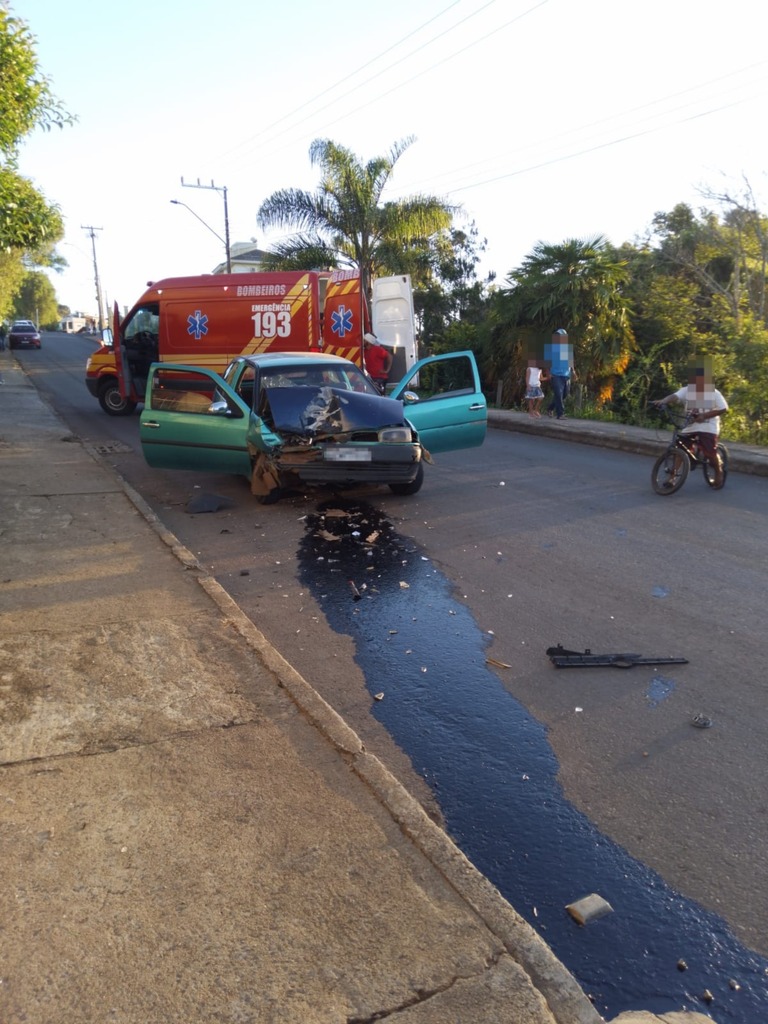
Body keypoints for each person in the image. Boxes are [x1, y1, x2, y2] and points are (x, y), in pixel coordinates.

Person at [653, 360, 728, 486]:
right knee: (680, 448)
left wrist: (704, 415)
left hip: (708, 426)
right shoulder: (688, 390)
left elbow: (723, 408)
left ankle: (718, 471)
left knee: (710, 452)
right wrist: (663, 401)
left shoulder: (713, 392)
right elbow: (675, 396)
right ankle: (672, 477)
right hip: (691, 425)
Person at [544, 328, 576, 419]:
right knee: (558, 393)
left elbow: (570, 361)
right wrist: (548, 373)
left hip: (566, 375)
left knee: (565, 394)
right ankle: (560, 414)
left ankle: (550, 408)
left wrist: (573, 372)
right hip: (555, 375)